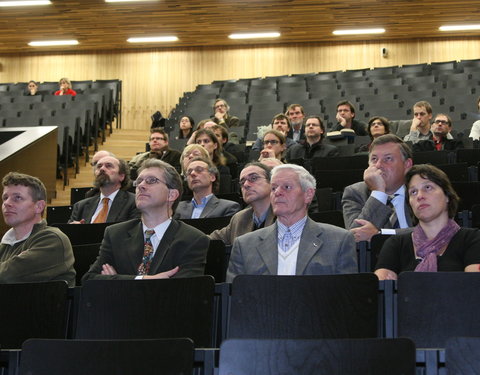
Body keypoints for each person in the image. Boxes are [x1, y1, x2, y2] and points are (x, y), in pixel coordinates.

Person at [82, 159, 210, 281]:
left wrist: (116, 281)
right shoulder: (115, 234)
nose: (141, 186)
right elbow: (90, 280)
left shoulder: (193, 239)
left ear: (172, 195)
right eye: (139, 181)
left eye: (151, 181)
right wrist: (143, 279)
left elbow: (182, 293)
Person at [226, 164, 357, 281]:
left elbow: (344, 299)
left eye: (286, 187)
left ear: (308, 195)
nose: (277, 193)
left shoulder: (339, 240)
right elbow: (236, 301)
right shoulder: (244, 245)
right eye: (273, 188)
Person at [375, 164, 480, 280]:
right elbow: (383, 289)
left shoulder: (472, 239)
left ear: (447, 196)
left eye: (428, 188)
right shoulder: (396, 244)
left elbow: (473, 289)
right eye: (413, 192)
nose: (420, 196)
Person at [0, 172, 75, 286]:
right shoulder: (4, 245)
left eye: (17, 198)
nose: (7, 203)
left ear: (39, 206)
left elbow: (7, 276)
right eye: (5, 198)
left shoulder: (52, 239)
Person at [342, 134, 414, 242]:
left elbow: (436, 229)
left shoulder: (422, 189)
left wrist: (380, 234)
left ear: (407, 165)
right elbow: (356, 237)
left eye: (388, 159)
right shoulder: (355, 193)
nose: (378, 165)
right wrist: (378, 193)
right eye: (374, 159)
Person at [210, 162, 275, 245]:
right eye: (242, 182)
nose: (246, 184)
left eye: (253, 178)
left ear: (271, 183)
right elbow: (206, 240)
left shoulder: (285, 214)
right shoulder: (239, 219)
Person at [69, 155, 139, 224]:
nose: (102, 169)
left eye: (108, 166)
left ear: (121, 176)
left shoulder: (134, 203)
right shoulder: (80, 206)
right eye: (99, 166)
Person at [173, 157, 241, 219]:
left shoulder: (228, 207)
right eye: (189, 172)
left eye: (199, 170)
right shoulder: (177, 208)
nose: (192, 174)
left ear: (212, 177)